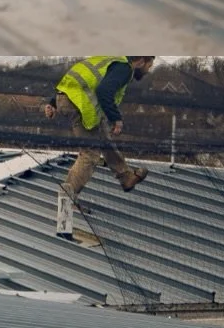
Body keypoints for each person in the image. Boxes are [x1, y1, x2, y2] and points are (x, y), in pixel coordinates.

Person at [44, 53, 155, 240]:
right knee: (90, 154)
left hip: (71, 99)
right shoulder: (124, 68)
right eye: (150, 65)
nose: (149, 69)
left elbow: (78, 82)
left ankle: (126, 177)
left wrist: (53, 102)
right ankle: (68, 200)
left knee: (104, 137)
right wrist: (116, 118)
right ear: (142, 61)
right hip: (80, 104)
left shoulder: (110, 61)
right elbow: (104, 91)